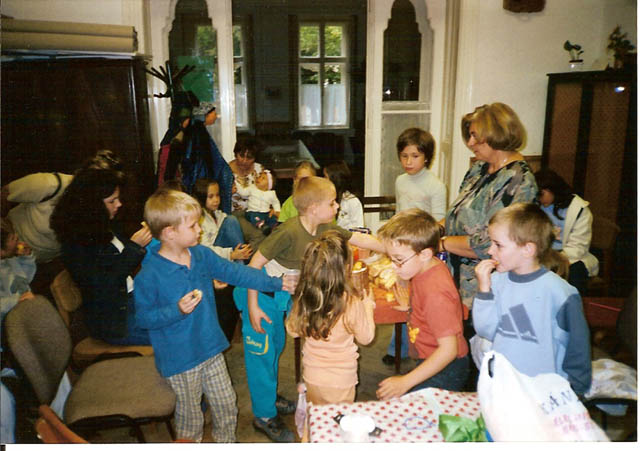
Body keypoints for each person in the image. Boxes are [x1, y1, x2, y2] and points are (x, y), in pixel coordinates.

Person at [133, 189, 293, 443]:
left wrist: (276, 283)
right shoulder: (149, 275)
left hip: (210, 348)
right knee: (191, 419)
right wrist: (176, 310)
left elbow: (237, 273)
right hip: (181, 360)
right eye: (192, 225)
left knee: (227, 404)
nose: (199, 230)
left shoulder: (201, 255)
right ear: (169, 232)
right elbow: (143, 318)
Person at [234, 176, 385, 442]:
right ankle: (263, 415)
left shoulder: (325, 226)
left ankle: (269, 398)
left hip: (281, 296)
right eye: (332, 202)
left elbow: (360, 239)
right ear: (314, 208)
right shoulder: (288, 231)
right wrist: (253, 306)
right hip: (260, 295)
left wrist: (391, 247)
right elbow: (253, 267)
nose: (337, 206)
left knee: (275, 348)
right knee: (262, 356)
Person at [472, 202, 591, 395]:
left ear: (528, 249)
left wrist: (575, 390)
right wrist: (484, 290)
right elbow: (486, 330)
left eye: (498, 245)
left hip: (543, 391)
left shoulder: (560, 292)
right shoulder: (496, 281)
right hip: (504, 385)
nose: (490, 251)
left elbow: (578, 348)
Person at [441, 103, 538, 309]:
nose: (470, 143)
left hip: (488, 286)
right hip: (456, 279)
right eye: (469, 135)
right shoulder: (479, 169)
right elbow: (458, 214)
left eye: (475, 136)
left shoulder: (518, 181)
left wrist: (441, 243)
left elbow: (488, 245)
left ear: (497, 134)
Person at [50, 167, 152, 346]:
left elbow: (116, 264)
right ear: (93, 204)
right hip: (115, 320)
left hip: (130, 301)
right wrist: (134, 248)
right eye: (112, 201)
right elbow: (104, 284)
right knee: (180, 331)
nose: (119, 204)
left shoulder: (102, 226)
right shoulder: (76, 245)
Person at [375, 209, 469, 400]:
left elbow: (449, 350)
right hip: (430, 356)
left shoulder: (436, 293)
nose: (393, 266)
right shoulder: (426, 266)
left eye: (399, 260)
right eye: (391, 258)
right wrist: (412, 307)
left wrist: (405, 381)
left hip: (446, 367)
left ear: (425, 253)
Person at [285, 230, 376, 405]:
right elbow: (367, 337)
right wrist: (367, 303)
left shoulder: (306, 295)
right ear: (346, 268)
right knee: (337, 421)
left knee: (317, 418)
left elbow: (292, 330)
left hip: (311, 376)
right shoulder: (351, 301)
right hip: (341, 381)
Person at [382, 128, 447, 366]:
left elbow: (439, 222)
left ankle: (420, 346)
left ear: (427, 157)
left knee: (418, 300)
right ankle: (396, 347)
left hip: (421, 252)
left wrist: (418, 241)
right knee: (401, 296)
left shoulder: (435, 186)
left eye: (415, 156)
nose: (408, 161)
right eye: (404, 156)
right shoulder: (401, 181)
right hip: (402, 251)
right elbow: (400, 212)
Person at [192, 178, 252, 341]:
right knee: (231, 221)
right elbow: (203, 250)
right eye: (210, 196)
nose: (216, 200)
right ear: (201, 197)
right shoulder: (198, 219)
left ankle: (243, 274)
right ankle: (244, 279)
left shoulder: (219, 215)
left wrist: (240, 252)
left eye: (217, 195)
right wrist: (231, 254)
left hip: (226, 261)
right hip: (211, 261)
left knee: (232, 221)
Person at [534, 168, 599, 295]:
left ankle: (572, 303)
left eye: (541, 194)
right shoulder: (537, 206)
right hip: (543, 253)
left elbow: (578, 246)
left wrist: (556, 259)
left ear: (552, 189)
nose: (539, 199)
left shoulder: (580, 209)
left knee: (574, 272)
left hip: (570, 256)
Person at [1, 217, 36, 444]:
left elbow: (24, 281)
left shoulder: (9, 261)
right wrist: (16, 301)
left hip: (21, 320)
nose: (18, 240)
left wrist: (26, 259)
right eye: (13, 238)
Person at [229, 137, 267, 249]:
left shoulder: (260, 170)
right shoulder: (226, 171)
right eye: (241, 155)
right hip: (236, 214)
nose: (244, 161)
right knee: (258, 235)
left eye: (249, 157)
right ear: (235, 154)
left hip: (257, 212)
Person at [236, 169, 281, 235]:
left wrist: (277, 211)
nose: (259, 178)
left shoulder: (271, 194)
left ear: (269, 184)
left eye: (263, 178)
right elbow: (243, 192)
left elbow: (276, 202)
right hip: (253, 212)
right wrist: (237, 186)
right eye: (259, 176)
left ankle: (273, 226)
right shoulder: (252, 188)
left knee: (272, 217)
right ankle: (262, 226)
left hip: (266, 212)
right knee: (254, 218)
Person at [323, 161, 364, 230]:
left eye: (325, 177)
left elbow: (359, 227)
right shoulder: (323, 198)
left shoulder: (352, 201)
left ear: (335, 179)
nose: (323, 180)